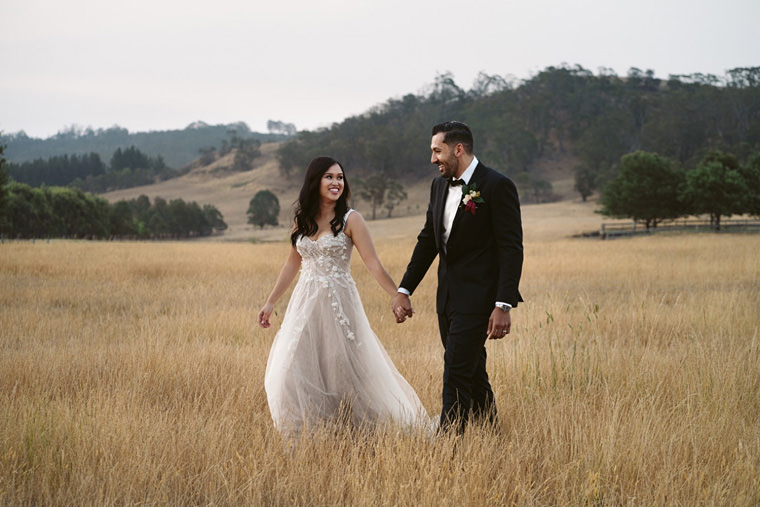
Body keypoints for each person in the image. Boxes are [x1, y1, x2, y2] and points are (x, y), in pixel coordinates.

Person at [258, 156, 429, 438]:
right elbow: (292, 264)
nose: (337, 182)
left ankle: (359, 434)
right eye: (329, 177)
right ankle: (307, 435)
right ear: (315, 181)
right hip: (304, 304)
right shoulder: (302, 220)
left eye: (340, 177)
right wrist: (271, 301)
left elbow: (372, 263)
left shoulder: (352, 219)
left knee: (342, 369)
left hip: (339, 302)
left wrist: (398, 295)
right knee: (287, 369)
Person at [392, 121, 523, 433]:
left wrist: (503, 305)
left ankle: (448, 446)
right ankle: (492, 437)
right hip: (447, 301)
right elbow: (428, 242)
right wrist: (404, 288)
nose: (433, 159)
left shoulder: (496, 185)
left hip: (479, 302)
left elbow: (511, 248)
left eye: (437, 151)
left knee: (455, 373)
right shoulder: (439, 186)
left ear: (458, 149)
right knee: (473, 372)